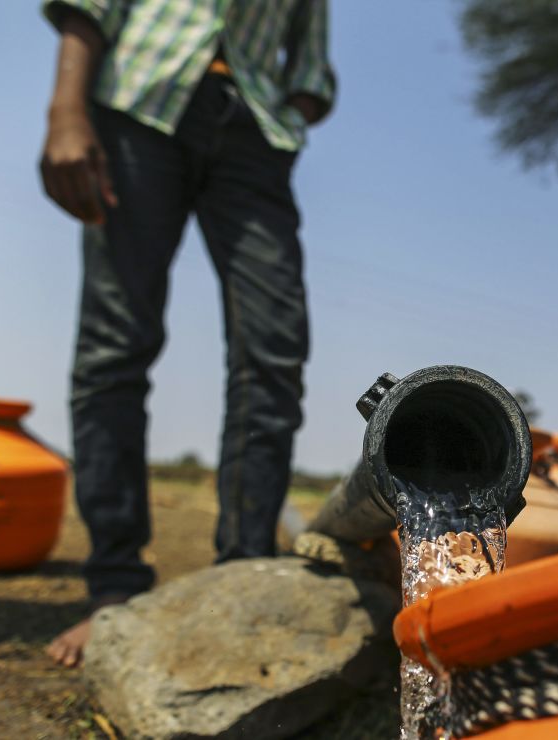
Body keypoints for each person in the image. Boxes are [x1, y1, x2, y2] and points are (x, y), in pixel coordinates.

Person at [38, 0, 335, 667]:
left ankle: (242, 575)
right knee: (117, 342)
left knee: (274, 347)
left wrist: (292, 112)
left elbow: (311, 61)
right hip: (138, 105)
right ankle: (114, 586)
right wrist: (66, 109)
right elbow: (90, 8)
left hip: (254, 128)